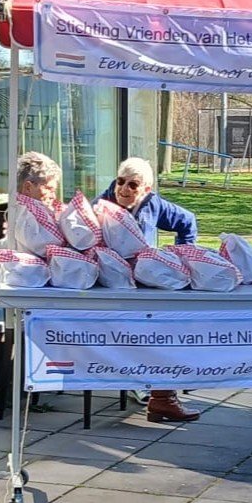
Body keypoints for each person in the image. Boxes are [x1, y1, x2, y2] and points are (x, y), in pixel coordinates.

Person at [97, 156, 202, 424]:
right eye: (120, 182)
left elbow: (187, 221)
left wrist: (183, 254)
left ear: (146, 190)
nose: (124, 189)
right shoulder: (100, 205)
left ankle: (161, 398)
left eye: (133, 185)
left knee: (167, 329)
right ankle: (149, 388)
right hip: (110, 285)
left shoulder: (152, 204)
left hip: (145, 282)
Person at [0, 150, 62, 251]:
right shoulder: (8, 219)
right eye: (49, 189)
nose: (53, 196)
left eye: (54, 191)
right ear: (28, 187)